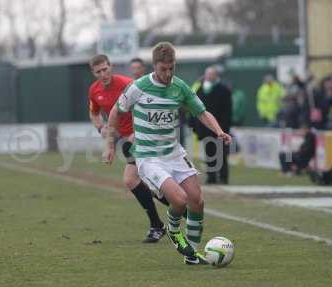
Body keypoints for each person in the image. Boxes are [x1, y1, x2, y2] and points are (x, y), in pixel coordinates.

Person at [103, 42, 232, 265]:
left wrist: (219, 131)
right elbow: (116, 111)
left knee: (197, 201)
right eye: (163, 69)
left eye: (171, 68)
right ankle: (173, 230)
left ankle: (191, 255)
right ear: (154, 66)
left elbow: (201, 112)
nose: (168, 73)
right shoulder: (139, 87)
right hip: (149, 158)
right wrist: (110, 144)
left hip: (174, 154)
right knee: (179, 200)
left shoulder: (179, 87)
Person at [88, 54, 167, 243]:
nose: (103, 74)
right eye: (98, 71)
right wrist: (101, 127)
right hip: (127, 139)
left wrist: (139, 130)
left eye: (105, 69)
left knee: (132, 179)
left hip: (144, 136)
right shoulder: (94, 90)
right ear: (94, 73)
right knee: (141, 182)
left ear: (111, 66)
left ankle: (161, 223)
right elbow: (94, 113)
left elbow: (150, 107)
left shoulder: (127, 84)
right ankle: (175, 213)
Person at [191, 66, 232, 184]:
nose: (209, 76)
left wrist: (224, 128)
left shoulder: (223, 90)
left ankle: (223, 177)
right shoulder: (200, 89)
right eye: (207, 73)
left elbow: (227, 111)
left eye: (211, 74)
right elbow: (195, 109)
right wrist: (195, 126)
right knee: (209, 154)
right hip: (205, 129)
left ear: (216, 75)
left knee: (221, 154)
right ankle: (211, 177)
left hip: (220, 128)